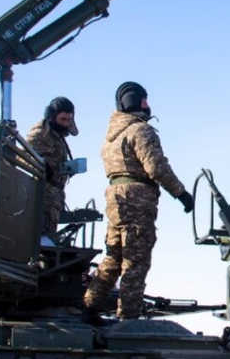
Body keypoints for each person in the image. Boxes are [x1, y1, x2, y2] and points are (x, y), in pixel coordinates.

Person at [82, 81, 194, 322]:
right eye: (145, 99)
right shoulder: (140, 131)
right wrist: (181, 194)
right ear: (136, 101)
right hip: (137, 201)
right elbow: (157, 168)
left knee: (113, 258)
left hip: (115, 201)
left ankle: (89, 306)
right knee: (136, 261)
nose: (148, 104)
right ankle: (128, 319)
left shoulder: (111, 137)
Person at [26, 97, 78, 243]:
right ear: (52, 116)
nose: (66, 123)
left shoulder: (56, 136)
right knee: (40, 238)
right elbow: (24, 155)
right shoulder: (40, 133)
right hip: (42, 193)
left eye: (69, 120)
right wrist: (43, 167)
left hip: (54, 195)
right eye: (63, 119)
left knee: (48, 237)